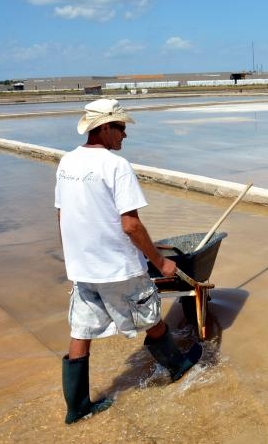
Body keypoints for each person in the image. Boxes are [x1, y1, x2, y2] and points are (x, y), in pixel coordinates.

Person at [55, 98, 202, 425]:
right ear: (104, 127)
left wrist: (75, 259)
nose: (125, 134)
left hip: (83, 268)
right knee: (150, 316)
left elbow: (63, 216)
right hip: (117, 265)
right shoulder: (115, 166)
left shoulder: (67, 162)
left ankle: (76, 408)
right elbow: (131, 225)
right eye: (120, 127)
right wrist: (160, 262)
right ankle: (177, 367)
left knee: (81, 330)